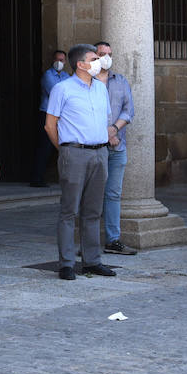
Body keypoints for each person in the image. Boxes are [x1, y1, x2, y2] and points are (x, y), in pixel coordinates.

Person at [45, 45, 115, 279]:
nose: (100, 61)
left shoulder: (100, 89)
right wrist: (65, 149)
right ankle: (66, 263)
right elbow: (50, 125)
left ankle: (92, 260)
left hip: (100, 152)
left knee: (93, 210)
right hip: (74, 152)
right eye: (94, 58)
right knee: (69, 210)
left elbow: (105, 119)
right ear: (81, 64)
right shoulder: (61, 89)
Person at [94, 41, 137, 256]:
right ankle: (89, 241)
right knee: (90, 194)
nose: (106, 58)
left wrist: (113, 130)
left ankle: (113, 239)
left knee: (113, 194)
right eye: (102, 54)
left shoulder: (120, 81)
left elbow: (129, 110)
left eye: (109, 54)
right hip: (94, 148)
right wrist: (105, 134)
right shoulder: (88, 82)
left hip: (118, 146)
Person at [31, 49, 69, 187]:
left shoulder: (66, 75)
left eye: (62, 60)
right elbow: (57, 93)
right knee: (45, 147)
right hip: (47, 114)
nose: (59, 63)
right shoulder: (48, 75)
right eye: (57, 60)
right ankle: (37, 178)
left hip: (62, 116)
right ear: (53, 61)